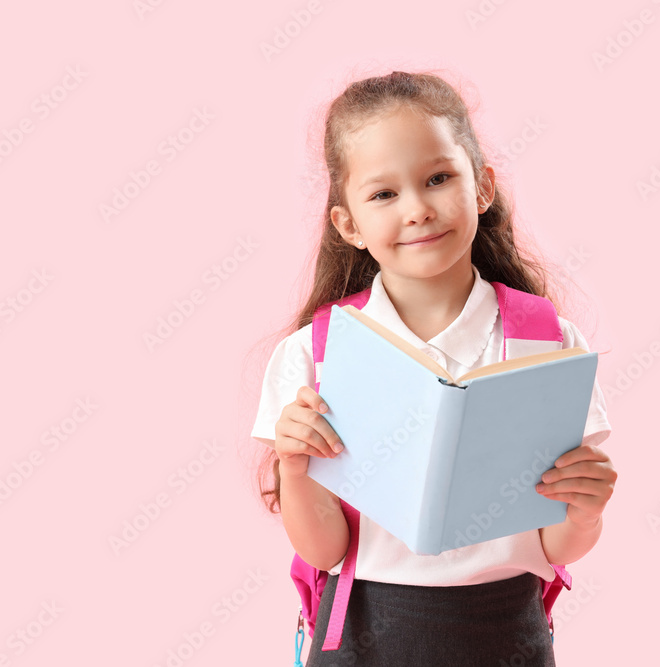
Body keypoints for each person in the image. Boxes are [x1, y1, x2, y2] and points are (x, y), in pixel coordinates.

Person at [249, 69, 618, 666]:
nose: (417, 209)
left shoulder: (548, 344)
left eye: (438, 179)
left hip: (505, 633)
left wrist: (586, 510)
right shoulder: (316, 353)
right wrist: (294, 469)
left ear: (482, 188)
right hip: (367, 632)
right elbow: (325, 551)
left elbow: (556, 545)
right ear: (349, 226)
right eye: (383, 194)